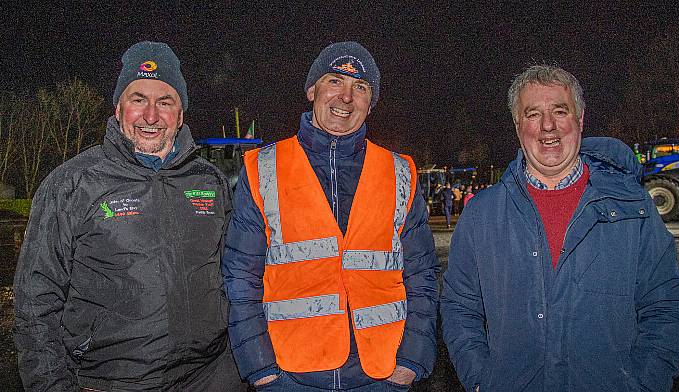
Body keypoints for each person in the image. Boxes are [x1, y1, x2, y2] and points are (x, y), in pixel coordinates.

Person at [441, 65, 679, 392]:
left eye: (560, 111)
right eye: (533, 114)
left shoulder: (636, 210)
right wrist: (480, 379)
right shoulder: (481, 214)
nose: (548, 126)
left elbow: (667, 307)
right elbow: (460, 306)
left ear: (580, 119)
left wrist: (644, 382)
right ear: (518, 127)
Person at [13, 41, 243, 391]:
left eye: (165, 102)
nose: (151, 116)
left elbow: (235, 276)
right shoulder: (73, 184)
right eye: (138, 100)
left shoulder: (209, 181)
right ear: (118, 108)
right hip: (111, 381)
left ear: (180, 115)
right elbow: (35, 304)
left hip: (209, 377)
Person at [223, 41, 439, 391]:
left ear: (370, 105)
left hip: (381, 377)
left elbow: (423, 274)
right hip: (290, 378)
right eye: (335, 81)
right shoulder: (263, 168)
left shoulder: (400, 172)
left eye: (361, 87)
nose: (346, 97)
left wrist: (411, 362)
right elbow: (239, 278)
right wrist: (260, 370)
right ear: (312, 90)